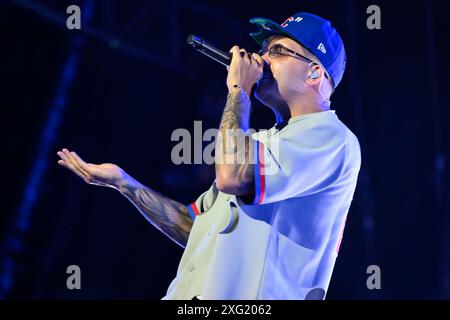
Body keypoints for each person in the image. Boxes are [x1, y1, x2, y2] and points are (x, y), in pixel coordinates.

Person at [57, 12, 361, 300]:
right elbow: (194, 226)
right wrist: (125, 183)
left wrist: (238, 90)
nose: (261, 59)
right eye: (264, 50)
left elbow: (231, 177)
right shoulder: (257, 142)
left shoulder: (332, 139)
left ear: (314, 72)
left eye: (278, 51)